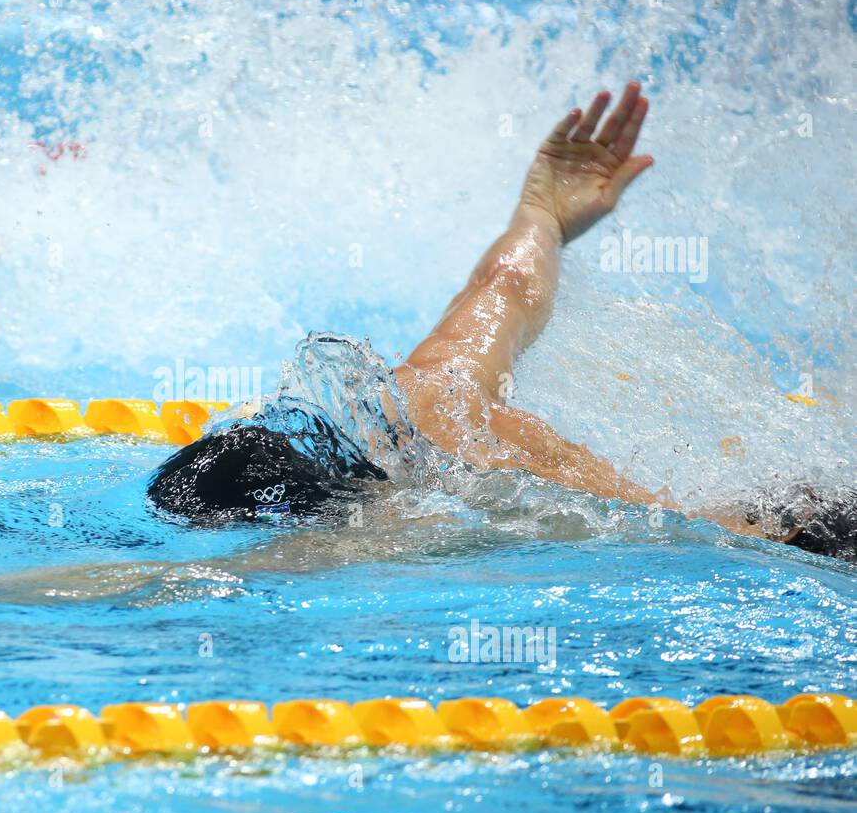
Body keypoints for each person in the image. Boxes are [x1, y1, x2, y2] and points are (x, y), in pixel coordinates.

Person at [148, 83, 854, 561]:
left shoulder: (448, 501)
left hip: (787, 542)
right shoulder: (425, 395)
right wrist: (541, 216)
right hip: (774, 515)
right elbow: (504, 287)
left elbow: (235, 576)